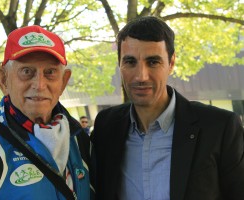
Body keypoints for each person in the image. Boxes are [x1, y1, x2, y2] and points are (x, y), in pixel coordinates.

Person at [92, 16, 244, 200]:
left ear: (171, 63)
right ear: (119, 64)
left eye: (153, 62)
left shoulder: (219, 127)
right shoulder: (106, 126)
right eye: (130, 62)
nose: (141, 76)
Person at [0, 25, 94, 199]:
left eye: (50, 72)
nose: (39, 84)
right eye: (27, 71)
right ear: (3, 80)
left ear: (63, 81)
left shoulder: (82, 142)